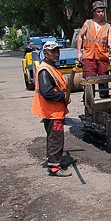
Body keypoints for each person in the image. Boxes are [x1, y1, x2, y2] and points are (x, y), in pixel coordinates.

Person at [31, 41, 72, 177]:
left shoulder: (51, 67)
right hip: (52, 112)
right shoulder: (45, 70)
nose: (56, 54)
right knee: (56, 139)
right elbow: (47, 92)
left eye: (57, 51)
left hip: (55, 111)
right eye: (53, 51)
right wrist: (62, 95)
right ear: (45, 53)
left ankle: (54, 162)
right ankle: (54, 167)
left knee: (54, 138)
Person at [76, 0, 111, 98]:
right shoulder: (88, 23)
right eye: (98, 12)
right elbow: (80, 36)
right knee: (89, 80)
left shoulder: (107, 26)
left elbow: (110, 43)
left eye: (102, 11)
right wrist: (79, 52)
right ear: (94, 12)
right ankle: (89, 101)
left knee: (103, 79)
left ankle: (104, 99)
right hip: (89, 56)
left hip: (102, 57)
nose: (101, 14)